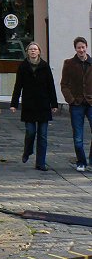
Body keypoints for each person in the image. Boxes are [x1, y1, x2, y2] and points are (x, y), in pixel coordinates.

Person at [9, 41, 58, 171]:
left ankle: (40, 163)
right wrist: (14, 103)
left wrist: (54, 103)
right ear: (27, 52)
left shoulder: (45, 66)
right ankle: (27, 151)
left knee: (42, 135)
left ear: (39, 52)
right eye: (31, 49)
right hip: (29, 105)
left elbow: (51, 86)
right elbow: (18, 85)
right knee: (30, 132)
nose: (33, 51)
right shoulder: (23, 67)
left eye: (35, 49)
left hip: (43, 105)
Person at [60, 36, 92, 172]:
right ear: (75, 49)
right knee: (78, 136)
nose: (81, 50)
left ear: (86, 47)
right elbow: (64, 84)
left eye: (83, 47)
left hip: (91, 103)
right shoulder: (69, 64)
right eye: (78, 47)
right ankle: (81, 161)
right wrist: (71, 100)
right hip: (77, 104)